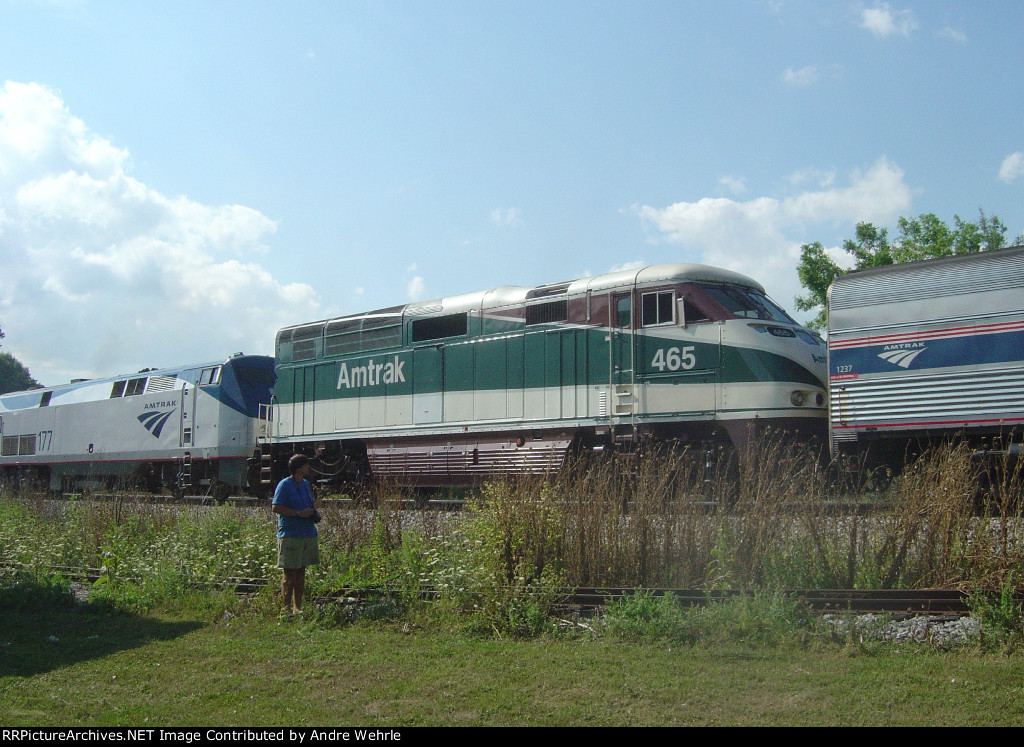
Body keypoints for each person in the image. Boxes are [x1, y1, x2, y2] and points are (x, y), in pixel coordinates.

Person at [271, 453, 319, 615]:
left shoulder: (305, 484)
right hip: (290, 534)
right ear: (298, 468)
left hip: (306, 533)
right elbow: (276, 507)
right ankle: (285, 610)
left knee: (301, 572)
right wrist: (298, 513)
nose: (308, 468)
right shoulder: (284, 485)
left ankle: (297, 608)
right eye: (306, 465)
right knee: (289, 573)